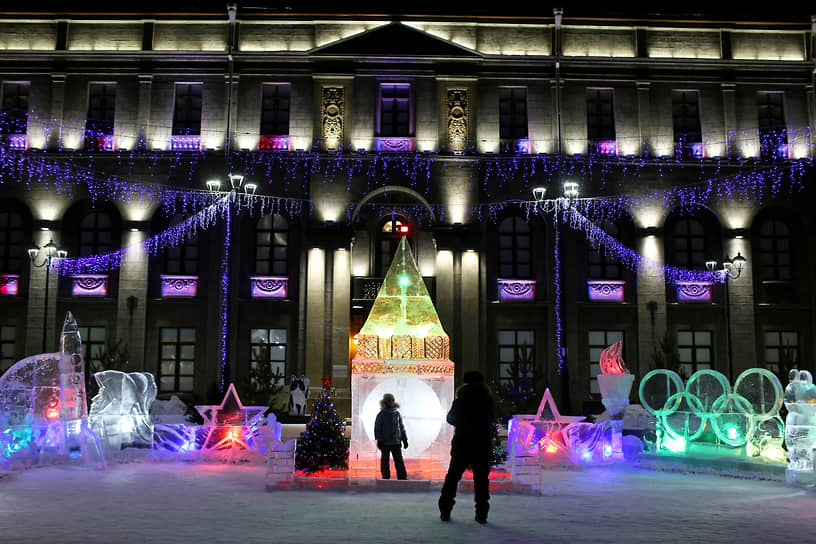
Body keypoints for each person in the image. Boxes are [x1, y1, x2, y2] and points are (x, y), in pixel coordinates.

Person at [439, 370, 495, 524]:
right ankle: (481, 514)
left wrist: (463, 423)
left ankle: (445, 510)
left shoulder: (461, 399)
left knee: (452, 478)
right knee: (481, 480)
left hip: (462, 443)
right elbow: (493, 418)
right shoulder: (487, 399)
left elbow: (450, 418)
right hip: (482, 444)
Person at [374, 393, 408, 480]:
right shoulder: (381, 414)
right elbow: (377, 428)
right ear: (385, 402)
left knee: (399, 460)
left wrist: (404, 439)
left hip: (396, 441)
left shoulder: (396, 414)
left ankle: (402, 477)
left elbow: (401, 427)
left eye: (392, 400)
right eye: (389, 400)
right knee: (385, 461)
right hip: (385, 442)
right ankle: (385, 477)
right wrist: (379, 440)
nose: (391, 402)